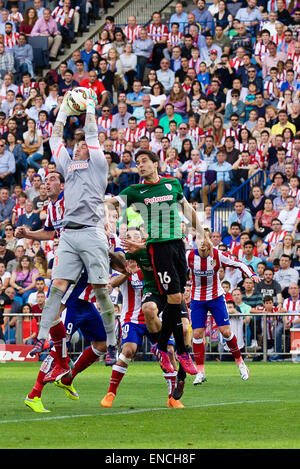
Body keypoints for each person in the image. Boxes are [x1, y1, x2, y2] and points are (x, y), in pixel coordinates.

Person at [26, 90, 117, 382]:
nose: (78, 148)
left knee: (101, 289)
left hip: (91, 232)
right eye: (76, 146)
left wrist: (89, 107)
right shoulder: (68, 167)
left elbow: (91, 134)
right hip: (69, 234)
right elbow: (55, 140)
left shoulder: (98, 165)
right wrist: (63, 111)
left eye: (82, 146)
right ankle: (41, 338)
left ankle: (112, 344)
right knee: (57, 286)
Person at [106, 149, 206, 376]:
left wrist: (202, 234)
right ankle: (177, 350)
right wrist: (100, 204)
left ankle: (165, 348)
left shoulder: (172, 185)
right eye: (137, 163)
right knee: (172, 299)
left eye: (144, 162)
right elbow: (114, 202)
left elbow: (187, 209)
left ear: (155, 164)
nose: (140, 166)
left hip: (178, 247)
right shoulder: (135, 190)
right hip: (159, 247)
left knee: (177, 299)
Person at [188, 232, 259, 384]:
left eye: (205, 239)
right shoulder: (189, 256)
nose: (202, 242)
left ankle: (241, 364)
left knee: (226, 331)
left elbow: (239, 263)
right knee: (197, 334)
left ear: (209, 242)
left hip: (215, 297)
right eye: (199, 239)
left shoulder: (218, 255)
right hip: (197, 299)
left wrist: (251, 274)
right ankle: (200, 372)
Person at [271, 283, 300, 361]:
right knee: (277, 330)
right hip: (287, 322)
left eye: (295, 288)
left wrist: (292, 323)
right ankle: (278, 353)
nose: (293, 290)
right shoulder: (286, 301)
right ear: (289, 291)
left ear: (299, 290)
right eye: (291, 288)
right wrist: (286, 322)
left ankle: (297, 354)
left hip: (297, 323)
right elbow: (284, 313)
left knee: (295, 329)